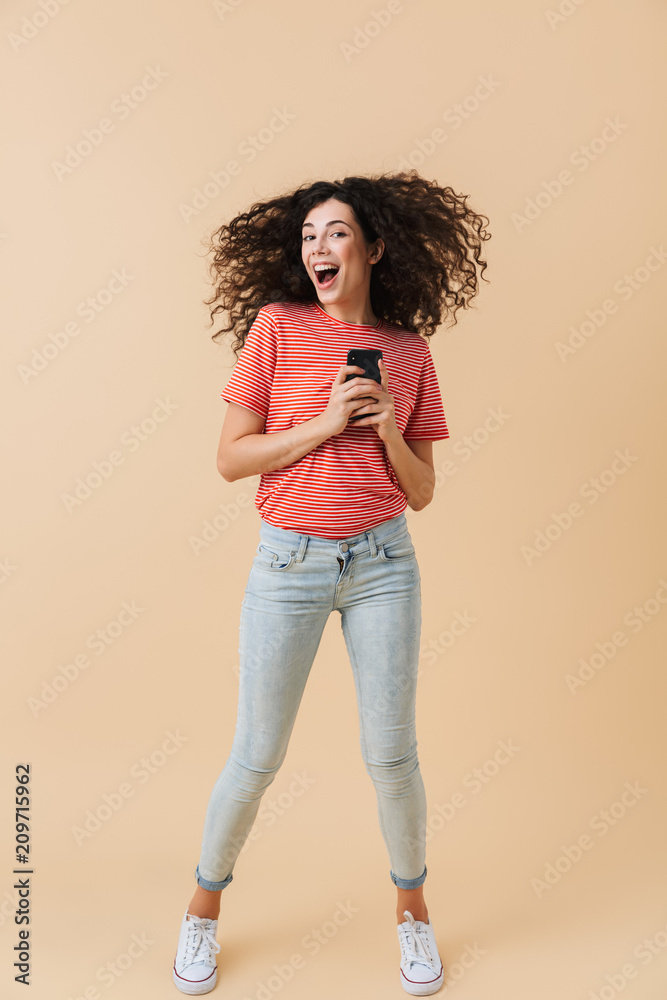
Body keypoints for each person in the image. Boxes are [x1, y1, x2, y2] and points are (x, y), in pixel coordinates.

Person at [172, 169, 490, 996]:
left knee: (391, 756)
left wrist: (386, 425)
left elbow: (420, 492)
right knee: (256, 755)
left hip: (384, 564)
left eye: (336, 233)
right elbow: (229, 459)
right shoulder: (276, 328)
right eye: (309, 235)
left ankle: (412, 917)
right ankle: (202, 911)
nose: (318, 246)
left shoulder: (409, 353)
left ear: (374, 249)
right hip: (290, 562)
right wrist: (320, 424)